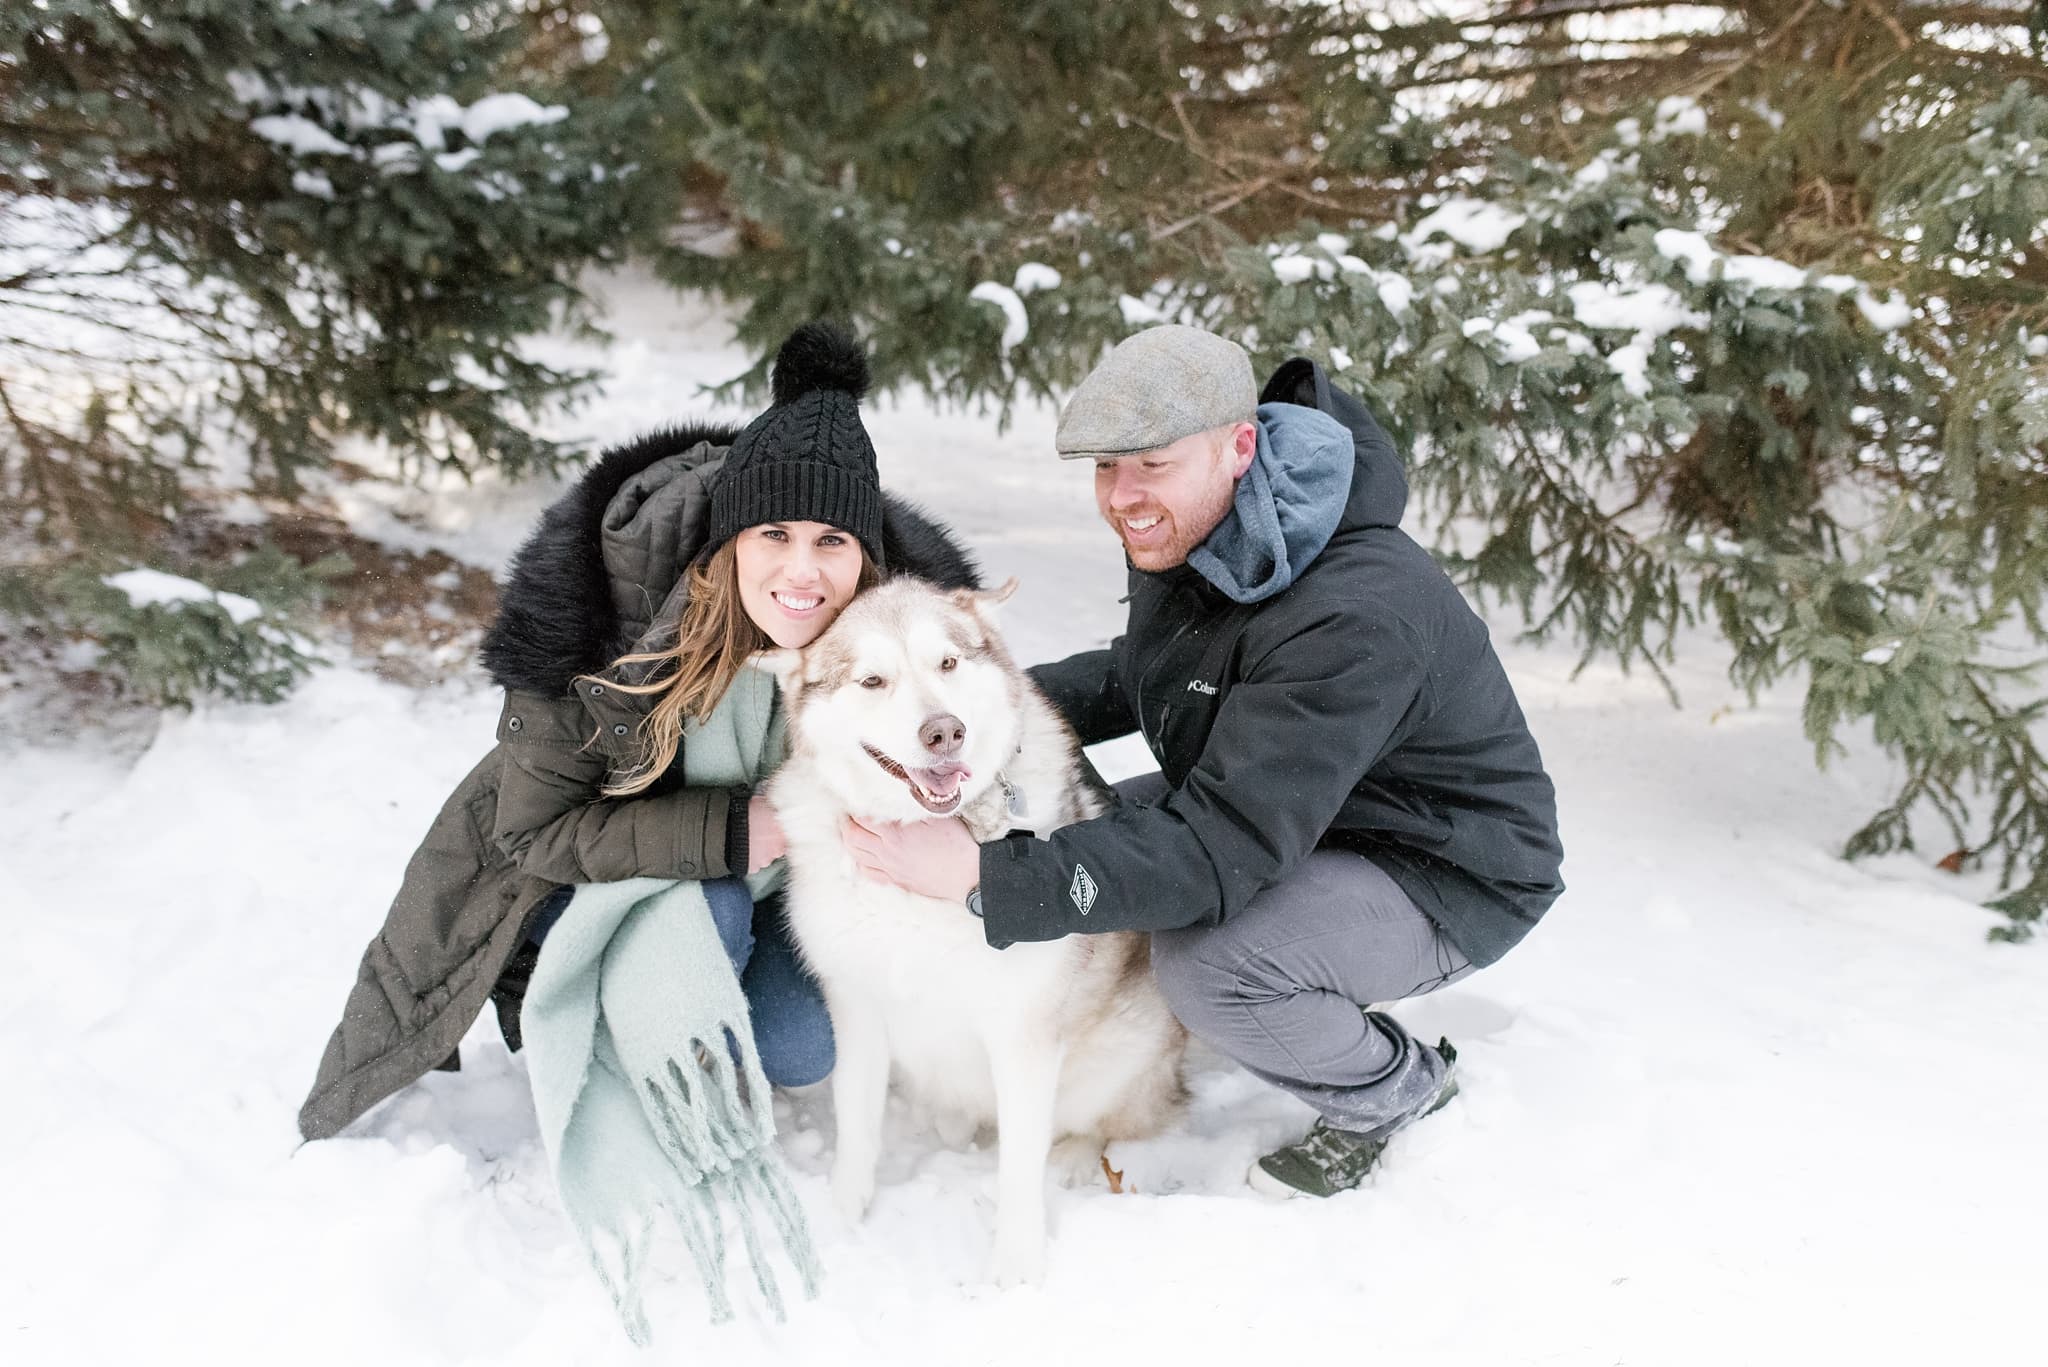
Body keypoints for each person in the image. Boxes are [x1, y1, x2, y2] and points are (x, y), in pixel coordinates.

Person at [845, 324, 1564, 1198]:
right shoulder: (1215, 524)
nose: (1123, 495)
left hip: (1438, 865)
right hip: (1307, 804)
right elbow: (1151, 670)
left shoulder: (1352, 614)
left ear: (1241, 445)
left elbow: (1217, 845)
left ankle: (1395, 1088)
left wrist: (985, 876)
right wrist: (978, 701)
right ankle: (1286, 985)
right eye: (1107, 467)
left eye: (1152, 463)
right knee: (1091, 826)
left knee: (1211, 967)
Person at [298, 322, 978, 1143]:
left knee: (801, 1045)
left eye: (831, 541)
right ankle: (633, 1047)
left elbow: (992, 745)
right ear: (732, 539)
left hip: (769, 890)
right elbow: (533, 830)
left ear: (865, 558)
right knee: (712, 908)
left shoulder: (896, 639)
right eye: (775, 535)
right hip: (592, 884)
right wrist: (732, 831)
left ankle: (710, 1004)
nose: (804, 572)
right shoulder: (609, 615)